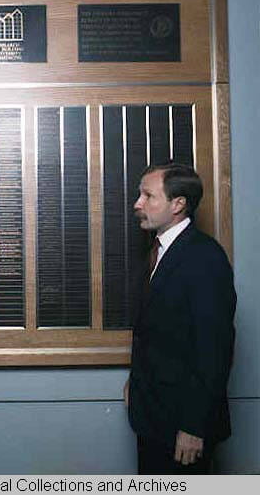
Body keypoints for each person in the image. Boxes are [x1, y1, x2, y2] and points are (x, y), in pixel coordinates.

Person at [124, 162, 236, 474]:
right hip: (153, 416)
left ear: (178, 204)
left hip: (183, 427)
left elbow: (213, 349)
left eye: (148, 196)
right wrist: (136, 381)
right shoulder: (158, 251)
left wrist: (193, 426)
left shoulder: (204, 258)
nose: (138, 203)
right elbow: (159, 332)